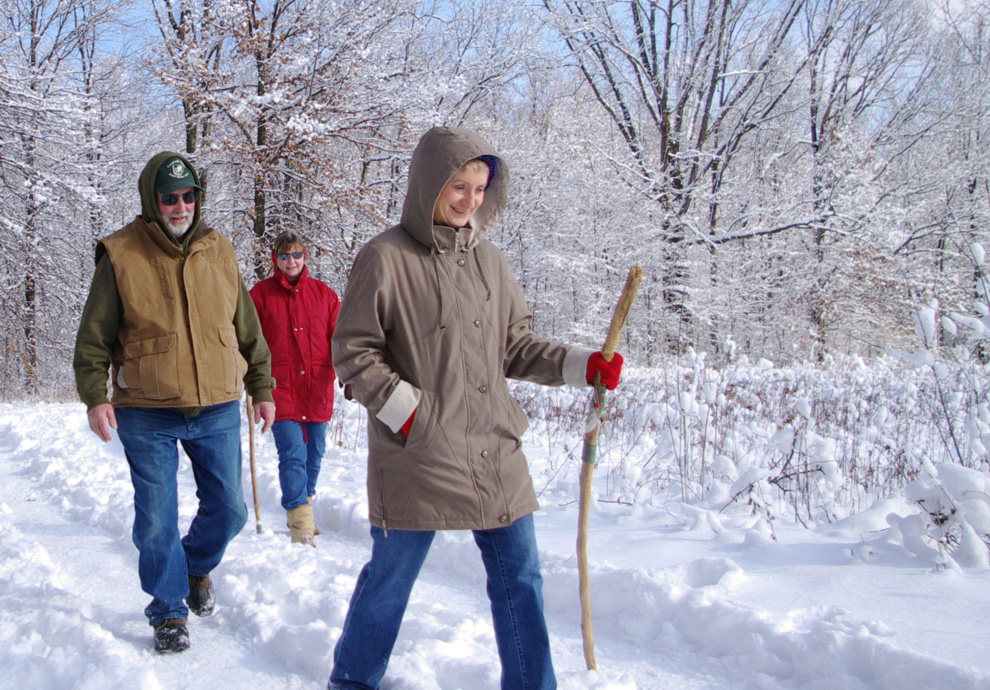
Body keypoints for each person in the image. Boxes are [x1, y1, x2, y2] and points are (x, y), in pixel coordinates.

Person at [327, 126, 624, 690]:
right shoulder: (385, 257)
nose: (469, 200)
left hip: (494, 448)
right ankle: (352, 681)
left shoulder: (492, 263)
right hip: (420, 453)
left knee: (523, 578)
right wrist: (413, 415)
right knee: (391, 579)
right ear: (427, 184)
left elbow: (515, 347)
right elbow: (353, 351)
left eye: (480, 188)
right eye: (458, 186)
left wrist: (584, 364)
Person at [73, 152, 276, 654]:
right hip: (146, 408)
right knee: (157, 517)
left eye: (188, 196)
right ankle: (167, 611)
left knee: (230, 510)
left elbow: (245, 326)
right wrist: (96, 397)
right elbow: (93, 338)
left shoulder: (219, 249)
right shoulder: (121, 254)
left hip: (217, 406)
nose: (180, 205)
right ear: (151, 199)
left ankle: (194, 568)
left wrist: (263, 387)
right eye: (170, 197)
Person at [250, 231, 340, 546]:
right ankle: (300, 522)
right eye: (285, 255)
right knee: (293, 451)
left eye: (297, 254)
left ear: (305, 257)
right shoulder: (259, 296)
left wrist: (350, 372)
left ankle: (305, 502)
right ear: (275, 258)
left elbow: (339, 340)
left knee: (314, 452)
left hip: (317, 386)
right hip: (279, 388)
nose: (292, 261)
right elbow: (249, 341)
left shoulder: (325, 295)